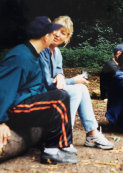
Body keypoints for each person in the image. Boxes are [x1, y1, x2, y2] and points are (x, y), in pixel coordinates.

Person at [0, 16, 78, 164]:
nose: (55, 36)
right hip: (15, 109)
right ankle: (50, 151)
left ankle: (63, 145)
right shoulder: (20, 57)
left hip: (28, 102)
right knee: (59, 98)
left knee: (62, 95)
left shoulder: (35, 54)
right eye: (52, 33)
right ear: (45, 36)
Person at [40, 16, 114, 150]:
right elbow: (47, 83)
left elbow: (59, 76)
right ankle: (62, 135)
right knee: (75, 90)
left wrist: (64, 76)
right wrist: (73, 80)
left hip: (50, 92)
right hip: (39, 94)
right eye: (56, 29)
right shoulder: (42, 50)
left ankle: (92, 133)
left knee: (82, 88)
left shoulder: (56, 52)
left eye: (63, 33)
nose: (57, 34)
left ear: (67, 38)